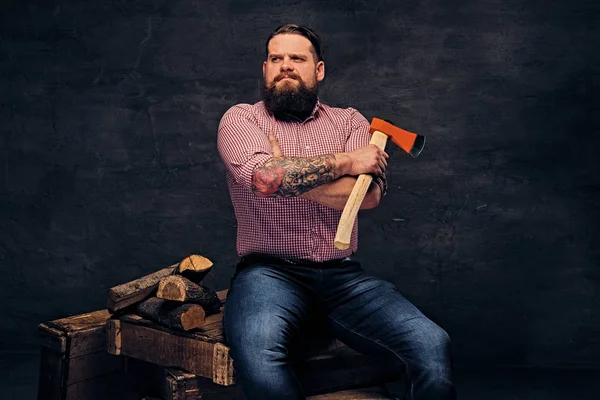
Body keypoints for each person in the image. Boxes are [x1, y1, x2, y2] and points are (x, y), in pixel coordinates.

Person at [217, 23, 457, 400]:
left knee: (431, 344)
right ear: (264, 69)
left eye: (297, 58)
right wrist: (347, 161)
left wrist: (289, 172)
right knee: (259, 352)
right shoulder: (241, 120)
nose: (286, 66)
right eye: (276, 58)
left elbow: (368, 197)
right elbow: (266, 180)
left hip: (343, 277)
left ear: (319, 69)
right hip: (268, 272)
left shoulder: (350, 122)